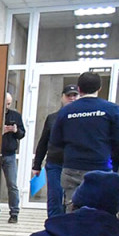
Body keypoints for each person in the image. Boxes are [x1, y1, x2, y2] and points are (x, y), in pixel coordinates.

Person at [48, 70, 119, 211]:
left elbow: (55, 141)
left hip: (72, 167)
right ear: (99, 88)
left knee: (73, 210)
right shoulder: (111, 109)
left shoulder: (66, 111)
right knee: (100, 210)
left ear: (79, 89)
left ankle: (73, 232)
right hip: (101, 167)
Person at [32, 84, 80, 218]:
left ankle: (69, 228)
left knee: (73, 199)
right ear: (62, 97)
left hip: (75, 164)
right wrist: (37, 165)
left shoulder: (81, 118)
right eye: (68, 96)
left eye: (74, 95)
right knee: (55, 198)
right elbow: (43, 141)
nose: (71, 98)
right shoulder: (53, 118)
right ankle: (53, 228)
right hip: (55, 164)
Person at [0, 91, 27, 223]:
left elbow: (22, 134)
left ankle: (14, 212)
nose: (7, 106)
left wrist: (15, 130)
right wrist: (1, 131)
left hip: (9, 154)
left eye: (9, 104)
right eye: (5, 104)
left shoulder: (15, 115)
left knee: (12, 184)